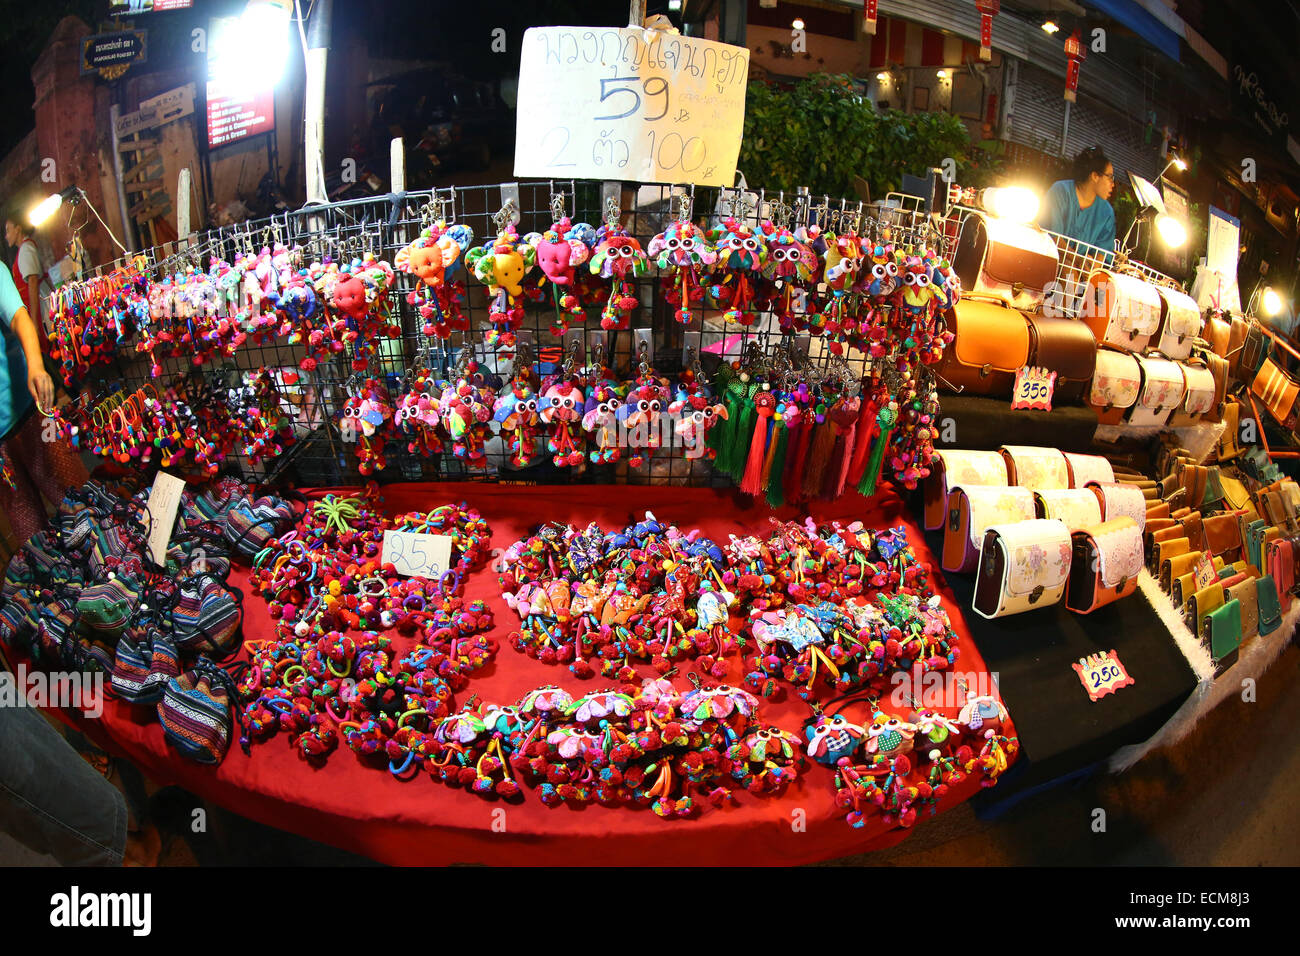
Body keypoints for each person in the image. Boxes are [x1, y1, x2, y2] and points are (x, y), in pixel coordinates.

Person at [0, 263, 87, 546]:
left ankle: (118, 569)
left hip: (31, 410)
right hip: (1, 452)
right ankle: (63, 585)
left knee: (75, 500)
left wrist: (37, 367)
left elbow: (19, 318)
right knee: (30, 534)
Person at [1039, 145, 1117, 252]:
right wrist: (1077, 261)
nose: (1113, 184)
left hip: (1082, 268)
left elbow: (1101, 253)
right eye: (1110, 177)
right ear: (1095, 176)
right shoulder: (1061, 191)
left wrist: (1089, 265)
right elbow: (1054, 238)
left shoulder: (1106, 212)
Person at [4, 215, 52, 348]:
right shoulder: (24, 249)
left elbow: (32, 282)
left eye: (8, 230)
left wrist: (35, 324)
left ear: (18, 229)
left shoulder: (26, 248)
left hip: (40, 309)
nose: (6, 236)